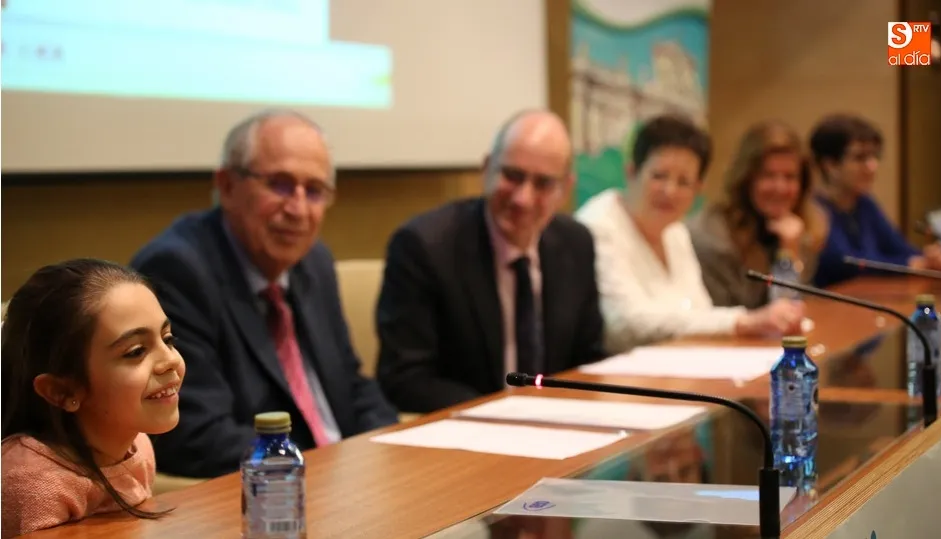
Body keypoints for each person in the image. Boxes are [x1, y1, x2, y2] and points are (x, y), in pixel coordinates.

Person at [131, 109, 398, 478]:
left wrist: (393, 448)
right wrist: (321, 470)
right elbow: (195, 433)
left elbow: (351, 385)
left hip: (344, 476)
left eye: (315, 191)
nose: (299, 209)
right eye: (280, 184)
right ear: (226, 186)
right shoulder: (178, 270)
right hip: (272, 490)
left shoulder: (313, 260)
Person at [375, 109, 605, 413]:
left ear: (565, 189)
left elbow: (588, 357)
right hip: (468, 432)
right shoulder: (425, 247)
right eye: (512, 176)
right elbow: (405, 378)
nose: (523, 198)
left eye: (543, 184)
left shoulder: (577, 243)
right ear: (486, 170)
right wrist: (504, 413)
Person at [575, 115, 803, 354]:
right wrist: (741, 321)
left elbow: (699, 310)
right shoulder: (597, 226)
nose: (670, 191)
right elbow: (625, 324)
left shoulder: (675, 230)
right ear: (632, 172)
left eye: (684, 182)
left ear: (698, 188)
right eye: (659, 176)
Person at [1, 259, 185, 536]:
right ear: (62, 391)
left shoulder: (138, 445)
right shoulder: (30, 484)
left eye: (167, 339)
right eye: (136, 351)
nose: (169, 360)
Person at [689, 120, 828, 308]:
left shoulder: (801, 228)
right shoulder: (713, 238)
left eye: (790, 177)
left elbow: (797, 310)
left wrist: (790, 250)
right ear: (746, 179)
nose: (780, 188)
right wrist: (787, 260)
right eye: (768, 175)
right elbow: (773, 315)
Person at [810, 113, 941, 288]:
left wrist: (928, 258)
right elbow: (846, 262)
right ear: (830, 165)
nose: (872, 166)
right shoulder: (813, 209)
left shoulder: (864, 204)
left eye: (874, 156)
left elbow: (901, 249)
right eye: (860, 158)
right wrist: (910, 265)